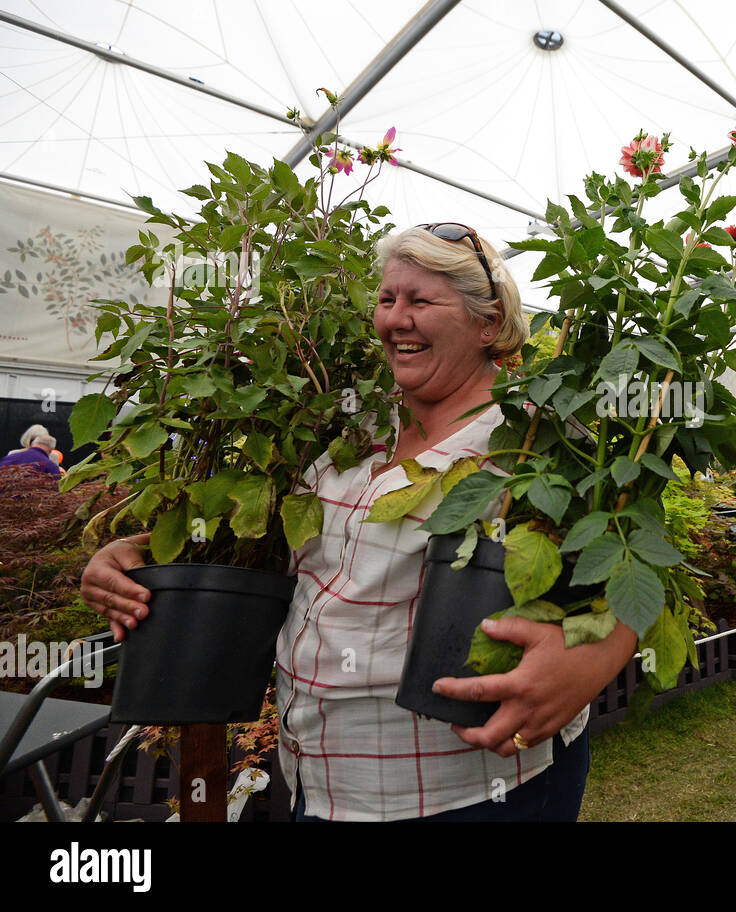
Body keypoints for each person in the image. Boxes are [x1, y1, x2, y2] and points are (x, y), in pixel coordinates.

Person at [80, 223, 639, 821]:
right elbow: (269, 542)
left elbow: (637, 566)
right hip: (316, 786)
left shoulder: (540, 434)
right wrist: (139, 554)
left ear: (488, 321)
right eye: (387, 299)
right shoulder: (351, 424)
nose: (396, 319)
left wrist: (596, 657)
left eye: (421, 301)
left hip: (470, 791)